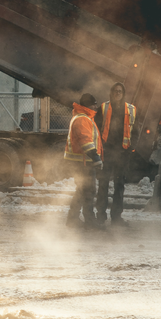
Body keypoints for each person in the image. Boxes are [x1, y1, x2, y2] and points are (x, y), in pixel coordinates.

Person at [94, 82, 136, 226]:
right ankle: (100, 215)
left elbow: (134, 130)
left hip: (122, 153)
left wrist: (131, 148)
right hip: (106, 152)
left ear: (123, 94)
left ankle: (116, 217)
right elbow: (97, 129)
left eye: (120, 91)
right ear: (111, 93)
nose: (117, 93)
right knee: (103, 184)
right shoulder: (104, 108)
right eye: (115, 91)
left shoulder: (131, 109)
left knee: (119, 185)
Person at [64, 93, 104, 229]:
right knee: (87, 190)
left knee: (84, 190)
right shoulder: (83, 119)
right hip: (83, 163)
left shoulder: (83, 117)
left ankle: (74, 219)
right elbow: (86, 141)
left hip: (82, 162)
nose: (96, 106)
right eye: (94, 104)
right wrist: (96, 157)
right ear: (88, 105)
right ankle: (87, 221)